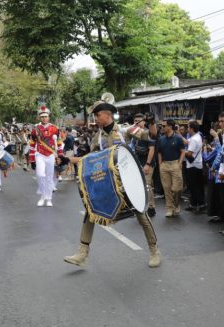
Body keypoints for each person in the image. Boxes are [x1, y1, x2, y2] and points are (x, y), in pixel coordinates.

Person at [63, 99, 161, 268]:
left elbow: (151, 135)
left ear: (107, 115)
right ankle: (82, 253)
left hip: (128, 180)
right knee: (91, 212)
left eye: (98, 115)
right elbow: (90, 160)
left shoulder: (125, 130)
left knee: (141, 214)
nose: (96, 119)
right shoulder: (96, 138)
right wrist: (68, 159)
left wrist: (152, 122)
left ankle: (154, 251)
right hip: (108, 182)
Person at [29, 106, 61, 206]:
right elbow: (32, 144)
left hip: (51, 154)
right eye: (42, 116)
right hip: (40, 154)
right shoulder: (35, 129)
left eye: (46, 116)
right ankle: (43, 195)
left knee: (49, 177)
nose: (44, 118)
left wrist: (60, 155)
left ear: (48, 117)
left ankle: (49, 198)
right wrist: (32, 159)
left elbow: (58, 142)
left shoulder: (55, 128)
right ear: (39, 117)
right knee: (40, 174)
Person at [126, 113, 157, 216]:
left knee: (147, 185)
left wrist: (147, 164)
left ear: (144, 122)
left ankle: (151, 207)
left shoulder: (148, 132)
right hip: (136, 162)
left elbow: (151, 150)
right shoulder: (133, 133)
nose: (137, 123)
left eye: (139, 121)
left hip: (146, 163)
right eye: (135, 121)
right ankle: (140, 205)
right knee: (138, 186)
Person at [156, 119, 186, 218]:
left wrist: (179, 163)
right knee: (167, 188)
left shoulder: (178, 138)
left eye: (164, 126)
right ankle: (169, 208)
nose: (162, 128)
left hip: (175, 164)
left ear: (170, 126)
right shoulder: (161, 139)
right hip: (164, 165)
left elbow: (183, 151)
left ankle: (176, 205)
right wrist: (160, 165)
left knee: (177, 188)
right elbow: (159, 152)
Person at [184, 120, 204, 212]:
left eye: (188, 127)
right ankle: (194, 204)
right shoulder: (197, 136)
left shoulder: (193, 139)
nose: (187, 129)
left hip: (193, 166)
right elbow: (186, 142)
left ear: (191, 129)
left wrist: (182, 152)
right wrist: (177, 134)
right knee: (197, 185)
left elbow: (189, 153)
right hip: (198, 164)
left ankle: (198, 204)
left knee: (194, 186)